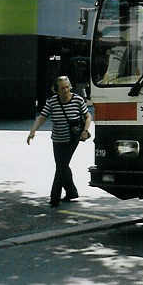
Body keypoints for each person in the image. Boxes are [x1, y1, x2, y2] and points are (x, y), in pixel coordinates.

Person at [27, 75, 92, 207]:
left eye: (67, 87)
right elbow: (42, 117)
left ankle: (54, 197)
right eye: (62, 88)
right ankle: (72, 192)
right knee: (63, 166)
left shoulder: (78, 100)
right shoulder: (52, 102)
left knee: (61, 167)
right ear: (56, 89)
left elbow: (87, 116)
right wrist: (33, 131)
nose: (66, 90)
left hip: (72, 139)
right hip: (57, 139)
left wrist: (85, 130)